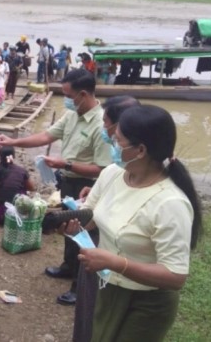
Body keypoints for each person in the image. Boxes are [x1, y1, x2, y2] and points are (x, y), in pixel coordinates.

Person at [65, 104, 203, 342]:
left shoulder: (170, 203)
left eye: (117, 140)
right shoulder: (113, 174)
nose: (112, 144)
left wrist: (116, 263)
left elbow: (175, 276)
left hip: (146, 302)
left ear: (140, 150)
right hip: (110, 287)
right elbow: (90, 216)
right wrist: (69, 224)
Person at [0, 69, 112, 306]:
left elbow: (103, 168)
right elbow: (45, 137)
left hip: (88, 187)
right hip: (68, 182)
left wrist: (65, 164)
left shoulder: (101, 124)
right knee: (68, 229)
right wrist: (13, 141)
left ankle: (80, 286)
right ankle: (69, 266)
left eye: (68, 95)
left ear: (82, 94)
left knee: (85, 235)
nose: (65, 99)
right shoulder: (72, 114)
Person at [67, 96, 141, 342]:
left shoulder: (164, 194)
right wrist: (73, 221)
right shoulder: (112, 171)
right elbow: (90, 216)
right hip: (98, 260)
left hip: (124, 276)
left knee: (111, 324)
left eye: (107, 124)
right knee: (88, 315)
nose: (104, 130)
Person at [0, 146, 35, 225]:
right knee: (22, 190)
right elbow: (32, 188)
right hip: (13, 214)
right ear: (13, 156)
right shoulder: (21, 171)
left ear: (0, 156)